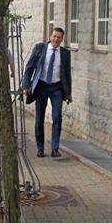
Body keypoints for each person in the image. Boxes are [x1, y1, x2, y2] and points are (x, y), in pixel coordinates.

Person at [22, 26, 72, 158]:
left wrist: (68, 93)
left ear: (62, 39)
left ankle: (55, 149)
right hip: (42, 86)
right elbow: (29, 67)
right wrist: (26, 86)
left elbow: (67, 74)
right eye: (54, 36)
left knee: (57, 118)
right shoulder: (40, 48)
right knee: (39, 119)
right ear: (50, 36)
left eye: (59, 37)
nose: (56, 39)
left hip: (57, 88)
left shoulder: (65, 54)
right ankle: (40, 148)